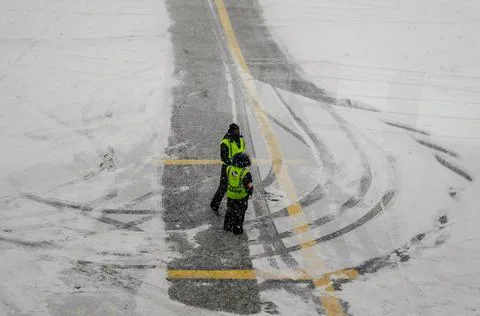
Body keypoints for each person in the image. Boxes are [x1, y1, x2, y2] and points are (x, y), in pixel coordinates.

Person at [210, 123, 246, 213]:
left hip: (238, 168)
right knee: (223, 187)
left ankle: (233, 208)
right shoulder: (225, 142)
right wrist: (234, 163)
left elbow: (242, 151)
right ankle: (214, 205)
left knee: (236, 187)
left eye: (238, 131)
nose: (237, 132)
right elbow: (224, 158)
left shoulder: (241, 139)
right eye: (235, 131)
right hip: (228, 168)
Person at [224, 153, 253, 235]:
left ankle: (227, 227)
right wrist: (250, 192)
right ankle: (237, 230)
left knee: (229, 212)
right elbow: (249, 186)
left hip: (231, 195)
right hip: (241, 197)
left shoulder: (229, 168)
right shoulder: (245, 173)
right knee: (239, 214)